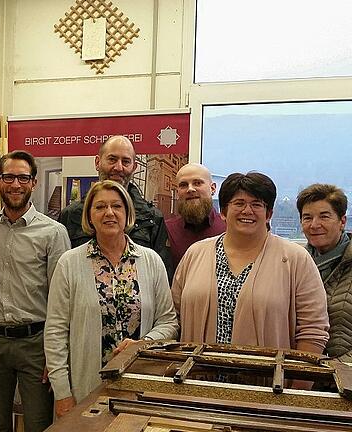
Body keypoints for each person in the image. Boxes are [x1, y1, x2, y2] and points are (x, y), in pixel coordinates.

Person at [45, 180, 178, 419]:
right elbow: (55, 332)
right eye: (100, 207)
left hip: (139, 388)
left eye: (116, 206)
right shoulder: (69, 263)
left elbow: (168, 322)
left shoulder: (150, 261)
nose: (109, 213)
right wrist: (62, 393)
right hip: (85, 388)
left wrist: (144, 342)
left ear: (127, 213)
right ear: (89, 216)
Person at [172, 172, 329, 354]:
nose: (247, 211)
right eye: (239, 203)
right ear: (223, 212)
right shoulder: (196, 253)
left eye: (257, 204)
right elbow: (174, 316)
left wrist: (298, 380)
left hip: (269, 379)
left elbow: (313, 329)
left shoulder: (296, 258)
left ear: (269, 213)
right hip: (196, 376)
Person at [0, 151, 70, 432]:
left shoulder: (53, 233)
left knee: (38, 424)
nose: (15, 184)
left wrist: (57, 354)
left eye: (23, 177)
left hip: (36, 344)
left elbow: (62, 298)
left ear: (33, 183)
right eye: (8, 177)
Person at [57, 135, 172, 277]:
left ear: (134, 167)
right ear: (98, 162)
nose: (118, 167)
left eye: (125, 161)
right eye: (112, 159)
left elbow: (162, 276)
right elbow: (62, 273)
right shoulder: (70, 215)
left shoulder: (153, 218)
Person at [297, 184, 352, 362]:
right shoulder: (296, 264)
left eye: (324, 216)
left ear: (342, 221)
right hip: (303, 373)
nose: (314, 225)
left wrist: (338, 368)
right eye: (307, 217)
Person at [165, 163, 226, 269]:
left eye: (197, 183)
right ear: (178, 191)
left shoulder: (228, 228)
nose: (190, 189)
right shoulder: (167, 230)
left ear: (213, 189)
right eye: (183, 185)